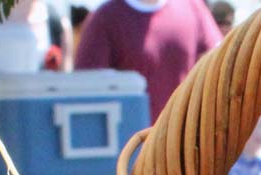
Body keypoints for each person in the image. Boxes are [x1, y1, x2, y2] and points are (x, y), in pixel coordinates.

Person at [74, 0, 224, 124]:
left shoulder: (193, 8)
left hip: (185, 145)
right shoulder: (105, 18)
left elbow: (222, 67)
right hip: (132, 150)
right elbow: (85, 94)